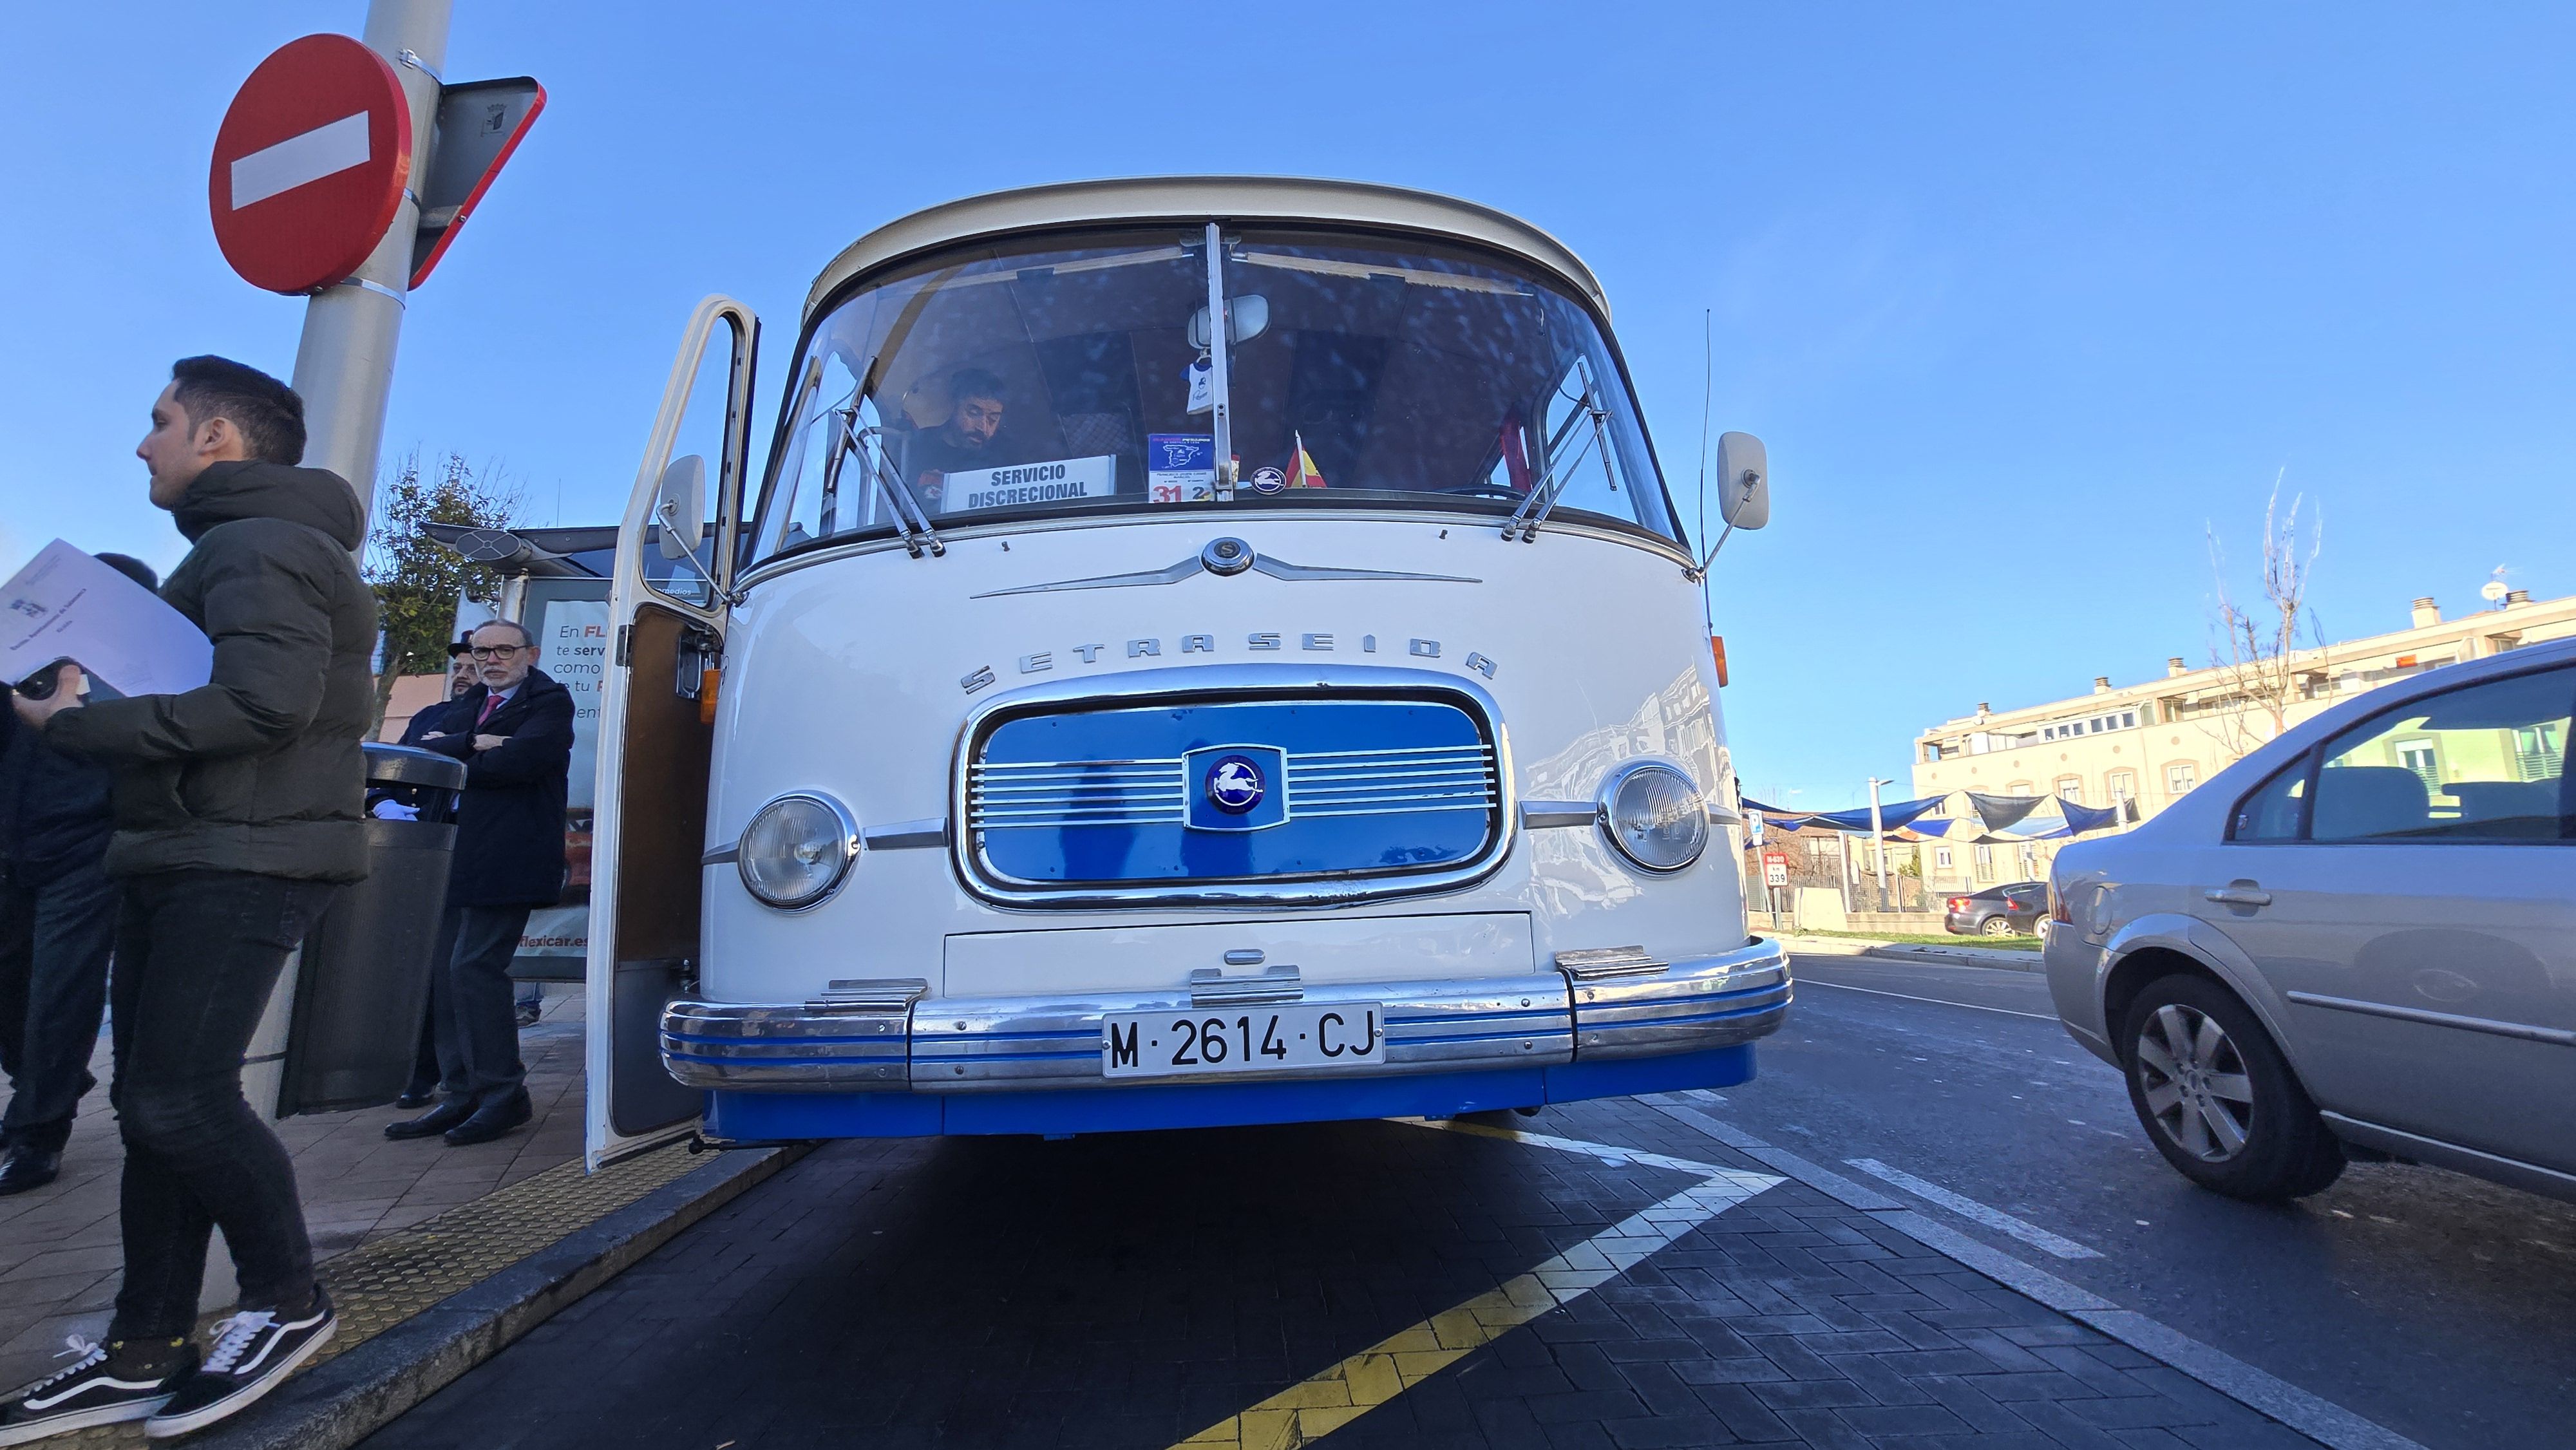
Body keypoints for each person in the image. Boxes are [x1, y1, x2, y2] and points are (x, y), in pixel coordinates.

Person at [0, 357, 372, 1441]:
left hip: (243, 856)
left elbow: (264, 703)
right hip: (188, 849)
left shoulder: (262, 546)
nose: (142, 443)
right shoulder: (232, 549)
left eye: (160, 422)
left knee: (178, 1099)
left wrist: (76, 725)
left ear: (218, 438)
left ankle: (288, 1300)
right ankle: (142, 1347)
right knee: (154, 1107)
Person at [0, 554, 157, 1198]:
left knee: (60, 990)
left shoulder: (142, 672)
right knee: (14, 983)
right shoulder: (25, 656)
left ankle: (38, 1129)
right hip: (15, 844)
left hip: (91, 847)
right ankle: (48, 1079)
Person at [383, 619, 571, 1149]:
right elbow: (421, 751)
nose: (491, 659)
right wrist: (475, 742)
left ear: (529, 653)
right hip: (455, 859)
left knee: (473, 968)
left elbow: (519, 762)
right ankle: (460, 1094)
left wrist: (462, 753)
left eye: (503, 650)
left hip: (508, 862)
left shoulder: (549, 703)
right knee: (445, 974)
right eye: (481, 650)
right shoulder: (469, 707)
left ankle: (503, 1095)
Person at [383, 640, 478, 1111]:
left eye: (471, 666)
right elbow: (393, 770)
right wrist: (382, 803)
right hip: (422, 852)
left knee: (451, 971)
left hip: (469, 855)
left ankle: (456, 1076)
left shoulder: (499, 718)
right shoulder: (427, 717)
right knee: (418, 967)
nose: (461, 674)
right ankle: (417, 1072)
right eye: (457, 666)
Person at [901, 366, 1009, 500]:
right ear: (953, 406)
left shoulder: (1005, 455)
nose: (983, 427)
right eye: (973, 413)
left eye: (993, 419)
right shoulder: (916, 445)